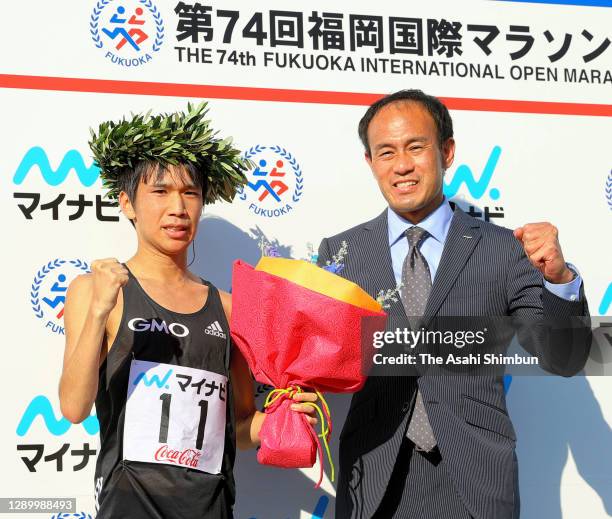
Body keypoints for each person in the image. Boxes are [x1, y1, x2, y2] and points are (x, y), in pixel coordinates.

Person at [317, 90, 591, 519]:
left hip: (475, 482)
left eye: (415, 146)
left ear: (446, 150)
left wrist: (559, 280)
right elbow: (322, 362)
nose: (402, 165)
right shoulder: (341, 254)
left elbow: (564, 358)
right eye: (385, 151)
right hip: (373, 480)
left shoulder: (503, 250)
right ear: (370, 163)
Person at [58, 102, 318, 519]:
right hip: (128, 507)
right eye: (160, 192)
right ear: (127, 203)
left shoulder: (231, 309)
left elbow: (238, 427)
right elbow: (73, 408)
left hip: (212, 508)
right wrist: (97, 313)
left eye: (190, 193)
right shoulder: (96, 290)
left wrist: (275, 422)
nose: (178, 207)